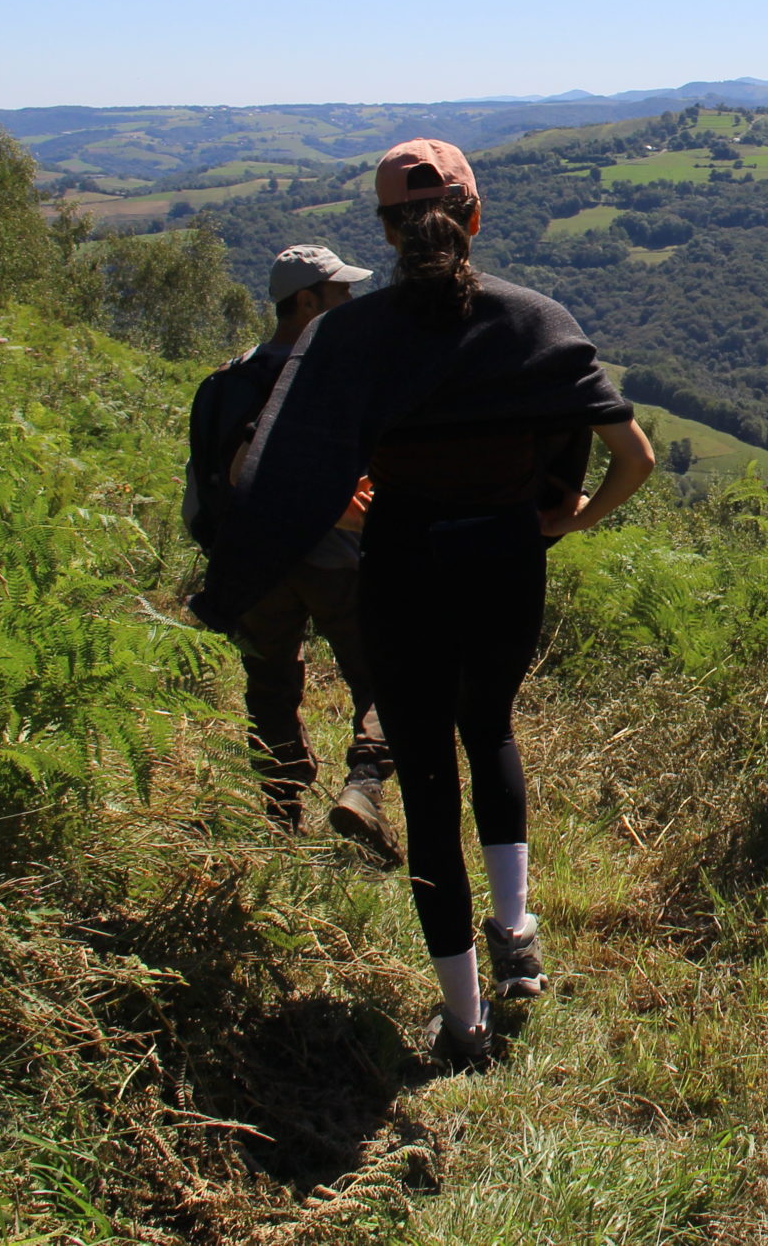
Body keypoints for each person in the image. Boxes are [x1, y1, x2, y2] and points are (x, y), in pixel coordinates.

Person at [189, 139, 656, 1069]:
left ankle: (463, 1022)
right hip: (505, 561)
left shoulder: (349, 337)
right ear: (473, 217)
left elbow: (293, 469)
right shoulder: (534, 320)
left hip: (401, 563)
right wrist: (568, 525)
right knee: (491, 728)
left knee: (428, 777)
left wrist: (229, 579)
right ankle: (516, 935)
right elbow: (632, 458)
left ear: (390, 234)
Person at [184, 244, 398, 862]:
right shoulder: (337, 378)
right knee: (386, 678)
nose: (351, 303)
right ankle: (363, 790)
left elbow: (203, 482)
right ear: (307, 302)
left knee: (269, 686)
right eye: (340, 293)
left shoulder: (225, 381)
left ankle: (281, 817)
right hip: (335, 560)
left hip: (251, 564)